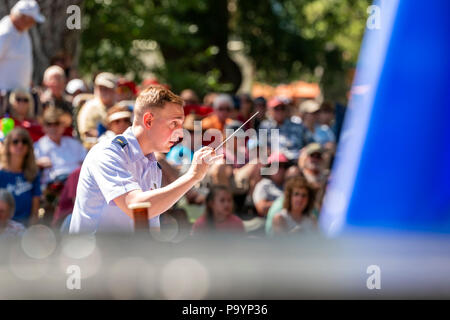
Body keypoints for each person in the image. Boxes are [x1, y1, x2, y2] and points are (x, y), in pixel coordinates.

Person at [69, 85, 222, 234]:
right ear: (148, 120)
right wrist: (192, 176)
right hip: (91, 257)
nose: (180, 134)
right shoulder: (108, 153)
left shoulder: (151, 161)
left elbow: (149, 224)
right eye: (174, 123)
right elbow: (135, 206)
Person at [34, 107, 87, 186]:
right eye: (49, 124)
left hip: (78, 183)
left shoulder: (74, 143)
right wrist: (37, 163)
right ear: (43, 127)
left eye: (56, 123)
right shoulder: (37, 147)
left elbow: (87, 163)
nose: (53, 128)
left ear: (63, 126)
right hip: (55, 187)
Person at [0, 0, 45, 91]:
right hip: (4, 94)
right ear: (22, 17)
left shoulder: (23, 32)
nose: (32, 24)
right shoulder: (4, 33)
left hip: (21, 94)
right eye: (31, 20)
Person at [0, 128, 41, 225]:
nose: (20, 145)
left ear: (29, 147)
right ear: (8, 146)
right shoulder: (1, 174)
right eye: (15, 141)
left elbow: (35, 211)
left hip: (25, 227)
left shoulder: (33, 173)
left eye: (24, 141)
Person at [77, 72, 117, 143]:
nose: (103, 91)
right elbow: (86, 134)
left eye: (107, 88)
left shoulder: (118, 107)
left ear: (114, 90)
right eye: (100, 88)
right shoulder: (90, 107)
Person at [252, 152, 289, 217]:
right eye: (278, 166)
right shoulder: (263, 185)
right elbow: (262, 208)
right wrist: (287, 203)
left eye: (285, 166)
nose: (282, 169)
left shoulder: (289, 184)